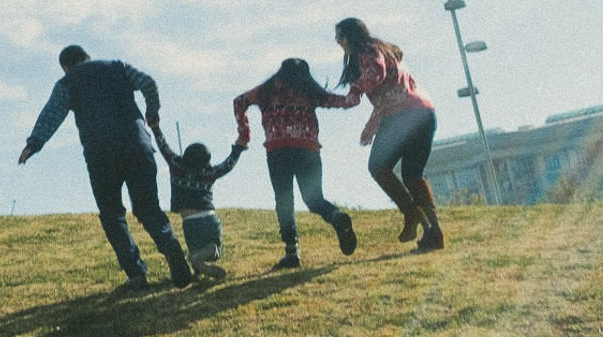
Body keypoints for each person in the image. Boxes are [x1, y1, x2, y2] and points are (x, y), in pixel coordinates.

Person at [20, 45, 194, 289]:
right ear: (87, 57)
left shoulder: (67, 82)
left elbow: (52, 113)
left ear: (66, 66)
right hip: (138, 145)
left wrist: (34, 144)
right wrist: (152, 111)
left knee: (112, 215)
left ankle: (136, 275)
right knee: (148, 208)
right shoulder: (117, 67)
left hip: (100, 152)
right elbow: (148, 83)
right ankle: (171, 248)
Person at [233, 58, 357, 267]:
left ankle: (292, 253)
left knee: (284, 201)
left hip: (277, 150)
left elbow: (239, 101)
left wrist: (244, 134)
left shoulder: (267, 89)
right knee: (314, 199)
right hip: (307, 149)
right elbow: (345, 102)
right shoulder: (310, 91)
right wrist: (357, 89)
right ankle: (337, 217)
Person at [334, 17, 444, 252]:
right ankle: (434, 234)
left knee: (378, 166)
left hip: (402, 116)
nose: (338, 43)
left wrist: (357, 92)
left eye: (339, 37)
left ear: (349, 37)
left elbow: (377, 72)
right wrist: (370, 121)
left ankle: (411, 214)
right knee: (413, 175)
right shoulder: (384, 50)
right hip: (424, 112)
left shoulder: (367, 52)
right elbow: (385, 91)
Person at [152, 124, 246, 283]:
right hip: (210, 219)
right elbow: (227, 165)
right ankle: (208, 256)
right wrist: (238, 148)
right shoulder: (209, 173)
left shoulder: (176, 166)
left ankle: (197, 265)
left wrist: (156, 128)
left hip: (191, 222)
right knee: (213, 251)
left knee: (194, 251)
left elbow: (164, 147)